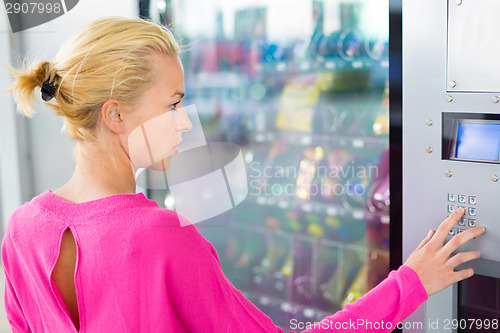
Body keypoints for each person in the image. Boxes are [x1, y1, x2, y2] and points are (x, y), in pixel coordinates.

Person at [1, 17, 485, 333]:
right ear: (116, 116)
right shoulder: (160, 237)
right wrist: (412, 283)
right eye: (173, 103)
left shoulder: (23, 228)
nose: (187, 120)